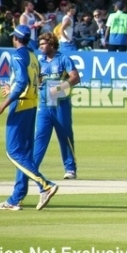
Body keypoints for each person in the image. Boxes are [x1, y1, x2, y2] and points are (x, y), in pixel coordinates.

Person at [0, 25, 58, 211]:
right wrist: (11, 88)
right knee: (25, 154)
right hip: (31, 105)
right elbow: (37, 81)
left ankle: (45, 185)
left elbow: (21, 83)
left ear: (16, 39)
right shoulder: (34, 56)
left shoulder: (18, 55)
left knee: (13, 152)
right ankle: (16, 198)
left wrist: (2, 105)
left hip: (20, 105)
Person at [33, 32, 80, 180]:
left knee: (65, 135)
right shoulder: (40, 62)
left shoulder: (63, 59)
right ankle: (32, 168)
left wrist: (59, 88)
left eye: (43, 44)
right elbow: (36, 82)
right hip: (44, 104)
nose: (40, 47)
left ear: (52, 44)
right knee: (40, 136)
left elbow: (75, 78)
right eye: (39, 45)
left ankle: (70, 168)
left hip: (60, 103)